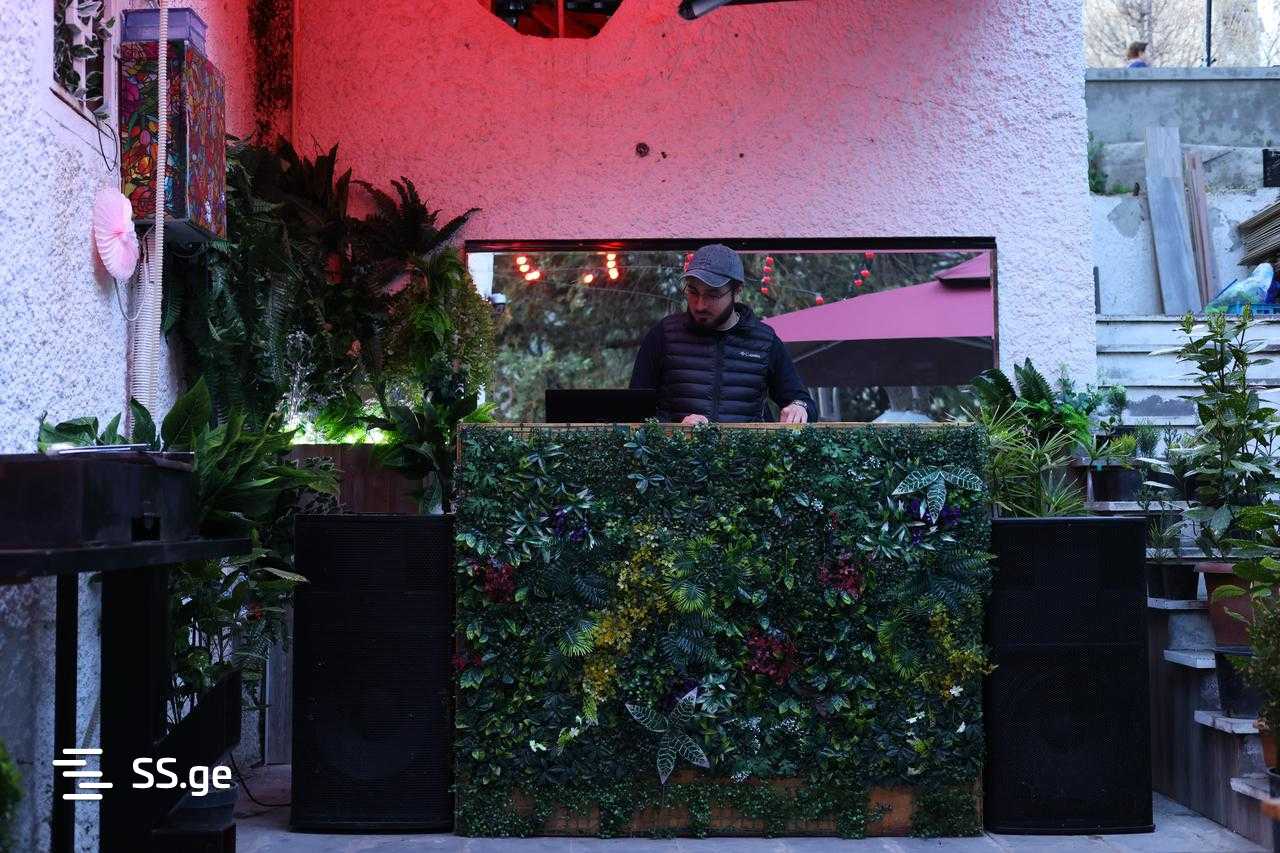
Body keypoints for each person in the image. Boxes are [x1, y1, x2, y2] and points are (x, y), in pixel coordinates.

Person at [629, 244, 816, 425]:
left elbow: (803, 402)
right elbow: (634, 412)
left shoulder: (764, 341)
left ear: (737, 291)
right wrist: (675, 430)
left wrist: (799, 408)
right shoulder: (664, 335)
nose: (700, 305)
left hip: (746, 448)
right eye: (693, 291)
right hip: (675, 448)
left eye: (713, 295)